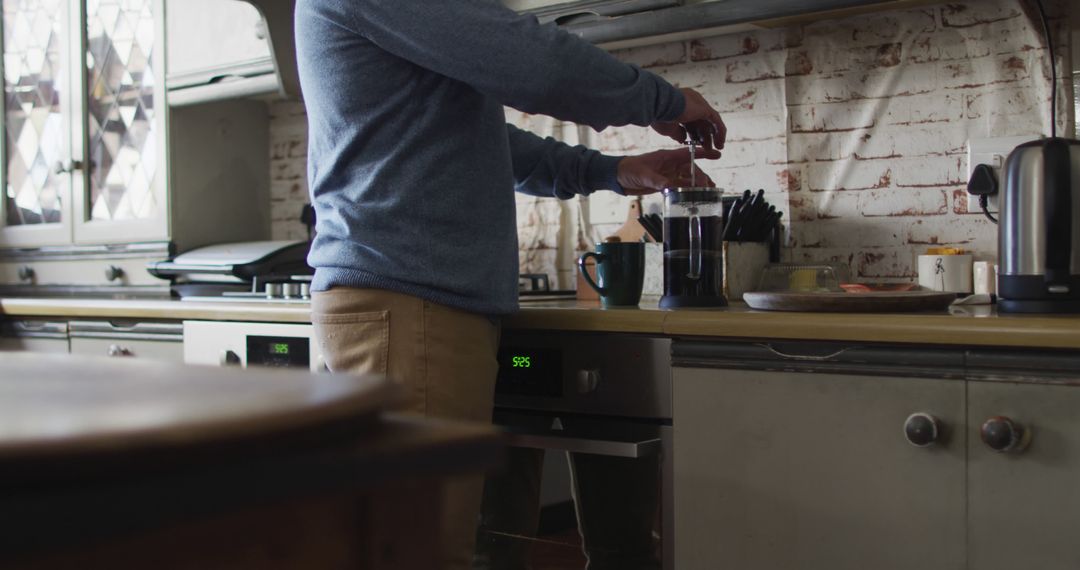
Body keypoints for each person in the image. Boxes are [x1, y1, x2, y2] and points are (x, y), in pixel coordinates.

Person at [294, 1, 726, 569]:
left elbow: (485, 141)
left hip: (410, 304)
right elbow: (532, 62)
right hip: (411, 304)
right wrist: (664, 101)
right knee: (420, 551)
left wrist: (612, 172)